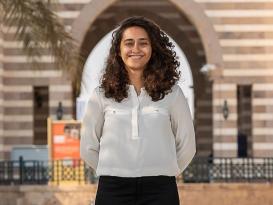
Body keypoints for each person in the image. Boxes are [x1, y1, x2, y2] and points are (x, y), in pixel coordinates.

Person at [80, 16, 196, 205]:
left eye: (143, 43)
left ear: (153, 49)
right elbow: (88, 146)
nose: (135, 49)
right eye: (128, 43)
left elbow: (187, 144)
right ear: (119, 51)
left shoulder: (173, 94)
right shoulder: (101, 95)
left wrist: (164, 170)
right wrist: (113, 170)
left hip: (160, 190)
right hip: (113, 190)